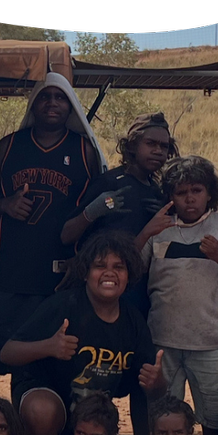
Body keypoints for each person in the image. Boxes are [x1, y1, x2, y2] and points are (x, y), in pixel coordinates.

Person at [0, 232, 167, 435]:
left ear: (129, 274)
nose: (109, 273)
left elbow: (148, 387)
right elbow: (7, 352)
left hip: (88, 424)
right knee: (44, 410)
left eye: (118, 267)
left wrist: (156, 382)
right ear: (85, 273)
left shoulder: (133, 322)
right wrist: (49, 346)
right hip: (46, 406)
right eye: (100, 266)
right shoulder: (64, 305)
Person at [0, 74, 106, 365]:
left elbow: (95, 215)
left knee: (61, 359)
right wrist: (4, 205)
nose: (52, 103)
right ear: (33, 105)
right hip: (10, 275)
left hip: (62, 277)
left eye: (60, 97)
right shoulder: (9, 146)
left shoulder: (84, 151)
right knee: (11, 357)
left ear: (70, 106)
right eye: (44, 97)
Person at [134, 156, 218, 435]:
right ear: (171, 196)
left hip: (211, 342)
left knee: (215, 420)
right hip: (163, 341)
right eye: (181, 192)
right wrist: (146, 232)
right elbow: (130, 270)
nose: (189, 199)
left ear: (210, 193)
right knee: (163, 417)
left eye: (197, 190)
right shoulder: (160, 228)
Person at [63, 112, 175, 310]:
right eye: (150, 143)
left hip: (142, 294)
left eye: (164, 146)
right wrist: (93, 211)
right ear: (132, 145)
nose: (158, 151)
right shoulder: (110, 183)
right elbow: (66, 235)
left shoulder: (157, 192)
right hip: (102, 292)